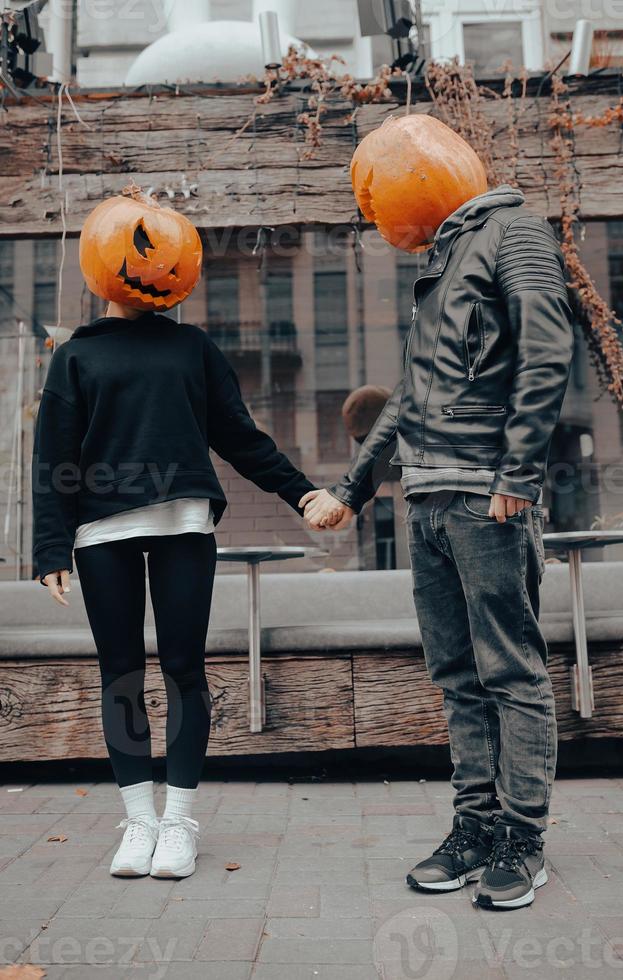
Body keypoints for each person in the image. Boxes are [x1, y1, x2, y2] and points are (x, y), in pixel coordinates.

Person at [301, 183, 574, 910]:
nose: (372, 205)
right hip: (425, 496)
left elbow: (548, 345)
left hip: (486, 492)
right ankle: (476, 827)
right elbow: (409, 399)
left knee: (509, 672)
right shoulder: (446, 256)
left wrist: (518, 469)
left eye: (375, 188)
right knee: (456, 674)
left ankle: (522, 837)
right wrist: (354, 490)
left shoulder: (511, 229)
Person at [32, 192, 316, 880]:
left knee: (185, 671)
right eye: (142, 248)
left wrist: (301, 491)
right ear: (105, 261)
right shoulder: (73, 358)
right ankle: (139, 822)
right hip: (103, 533)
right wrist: (49, 549)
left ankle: (180, 821)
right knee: (121, 675)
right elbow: (53, 458)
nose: (161, 266)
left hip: (185, 525)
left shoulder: (193, 348)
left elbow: (239, 436)